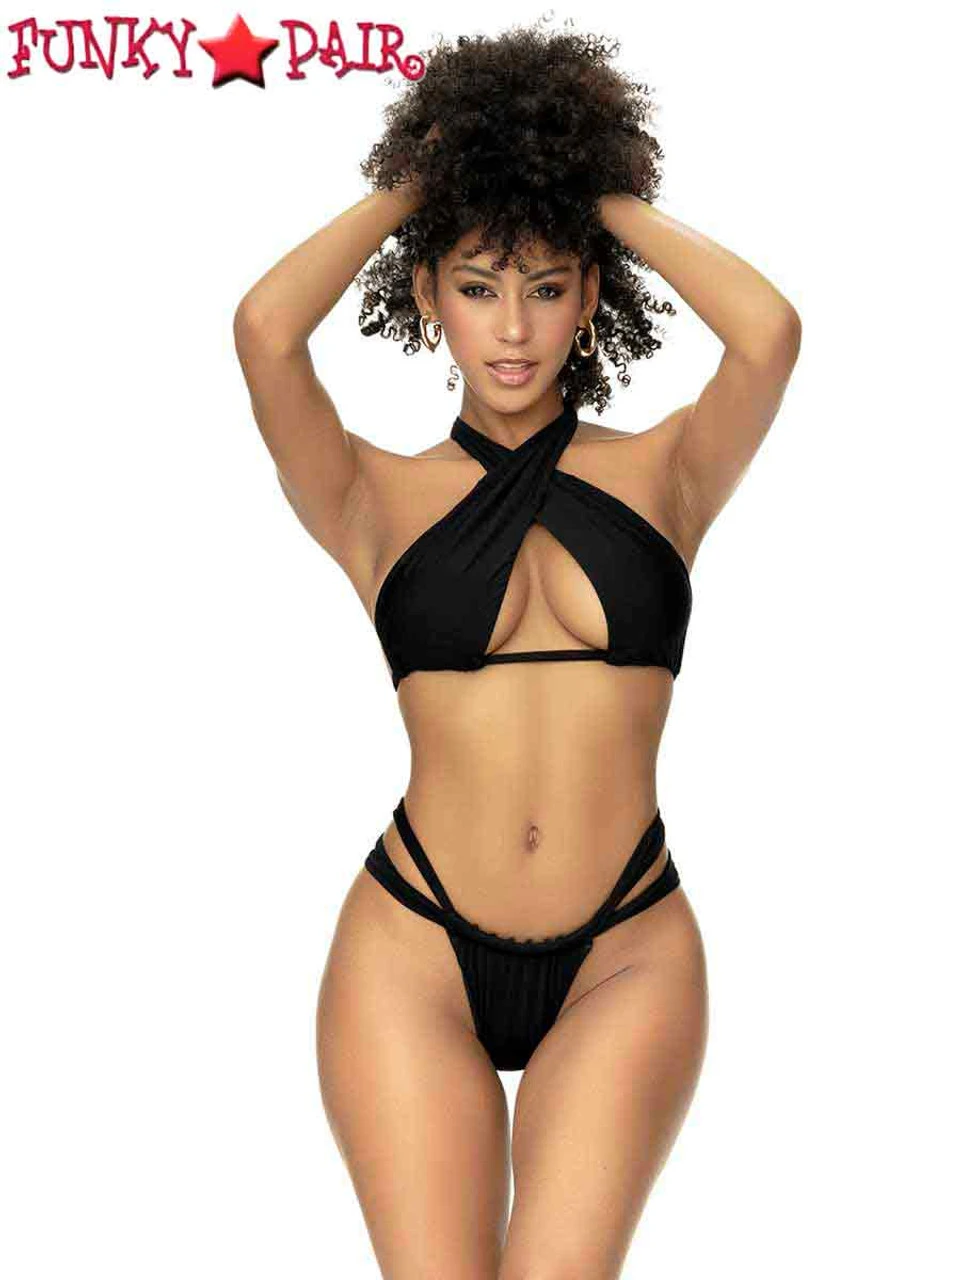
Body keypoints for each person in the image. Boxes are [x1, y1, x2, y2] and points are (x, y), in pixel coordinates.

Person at [232, 22, 800, 1280]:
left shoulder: (668, 473)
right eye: (478, 285)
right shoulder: (372, 496)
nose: (513, 329)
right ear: (427, 295)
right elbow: (265, 329)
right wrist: (425, 180)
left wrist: (590, 187)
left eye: (547, 287)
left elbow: (769, 331)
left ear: (591, 297)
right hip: (414, 945)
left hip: (626, 947)